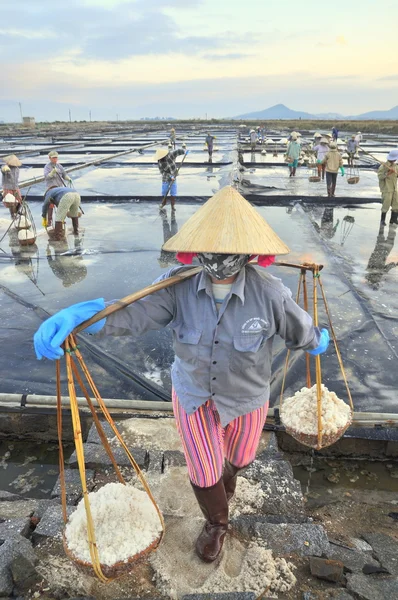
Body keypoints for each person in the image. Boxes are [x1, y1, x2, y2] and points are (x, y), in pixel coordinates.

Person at [33, 185, 329, 563]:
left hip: (248, 398)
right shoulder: (178, 285)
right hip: (194, 395)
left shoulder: (269, 293)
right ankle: (217, 524)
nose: (219, 257)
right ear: (197, 247)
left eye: (229, 250)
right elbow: (132, 313)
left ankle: (227, 485)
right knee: (205, 470)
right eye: (211, 248)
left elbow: (299, 329)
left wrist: (314, 339)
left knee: (239, 458)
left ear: (248, 252)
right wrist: (85, 316)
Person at [155, 147, 187, 212]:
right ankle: (163, 203)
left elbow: (177, 151)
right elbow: (162, 172)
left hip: (174, 175)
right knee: (164, 191)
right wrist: (170, 176)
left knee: (173, 192)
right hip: (165, 178)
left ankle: (173, 206)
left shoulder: (170, 155)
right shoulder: (160, 162)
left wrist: (184, 151)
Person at [377, 149, 398, 226]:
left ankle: (393, 219)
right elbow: (380, 177)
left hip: (394, 188)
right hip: (387, 188)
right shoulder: (383, 166)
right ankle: (382, 220)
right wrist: (388, 173)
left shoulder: (395, 166)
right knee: (386, 204)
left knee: (396, 203)